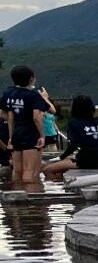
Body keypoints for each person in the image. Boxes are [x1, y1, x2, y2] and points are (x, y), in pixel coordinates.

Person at [4, 65, 55, 193]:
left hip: (16, 133)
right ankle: (29, 199)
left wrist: (11, 136)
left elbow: (7, 115)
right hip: (30, 133)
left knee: (17, 169)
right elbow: (38, 116)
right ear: (31, 79)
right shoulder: (32, 95)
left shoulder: (8, 93)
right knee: (29, 170)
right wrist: (42, 135)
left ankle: (16, 195)